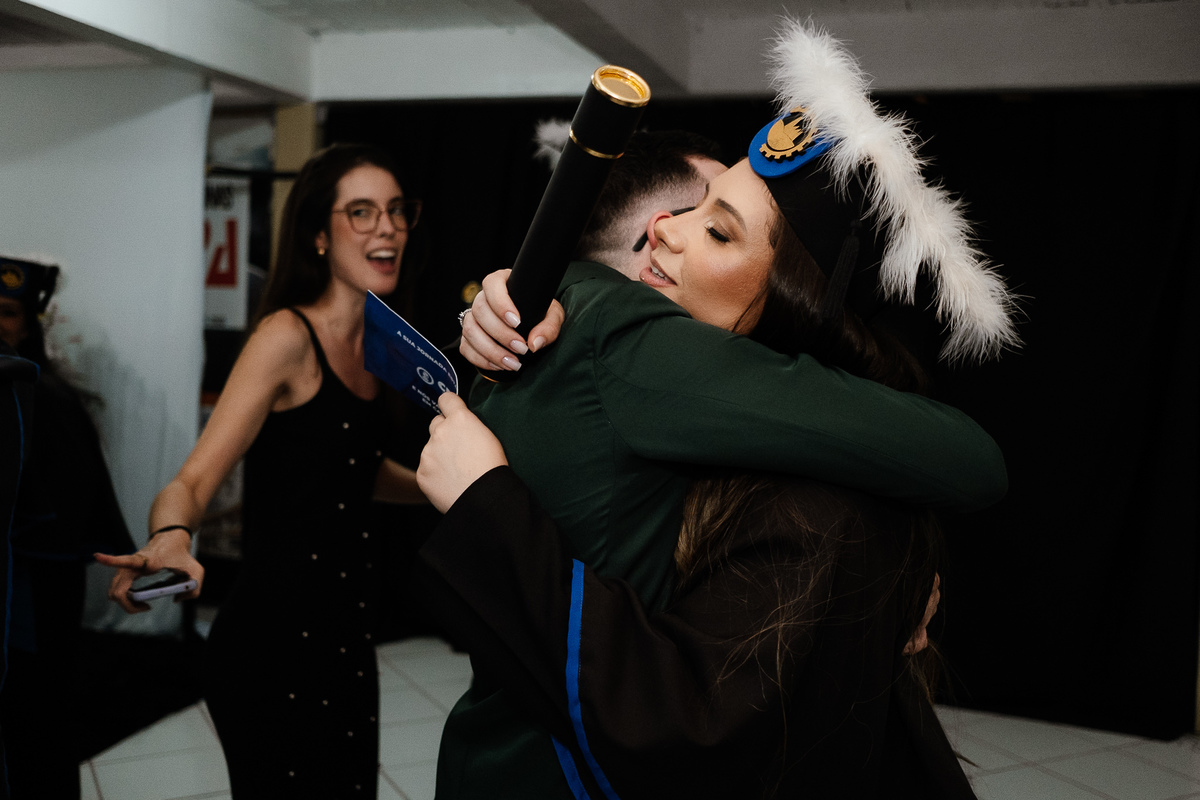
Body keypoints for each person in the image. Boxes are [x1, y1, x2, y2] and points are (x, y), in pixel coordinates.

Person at [428, 22, 1016, 799]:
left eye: (716, 228)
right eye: (696, 206)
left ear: (791, 301)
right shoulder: (639, 353)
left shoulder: (780, 467)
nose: (663, 232)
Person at [95, 143, 428, 798]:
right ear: (318, 235)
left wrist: (446, 489)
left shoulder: (381, 339)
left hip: (345, 637)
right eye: (361, 212)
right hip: (272, 645)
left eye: (395, 211)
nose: (387, 228)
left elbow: (352, 469)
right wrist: (171, 536)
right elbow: (193, 481)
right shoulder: (285, 337)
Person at [0, 256, 136, 800]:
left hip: (31, 597)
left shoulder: (49, 401)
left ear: (30, 324)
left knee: (34, 719)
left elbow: (72, 512)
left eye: (8, 312)